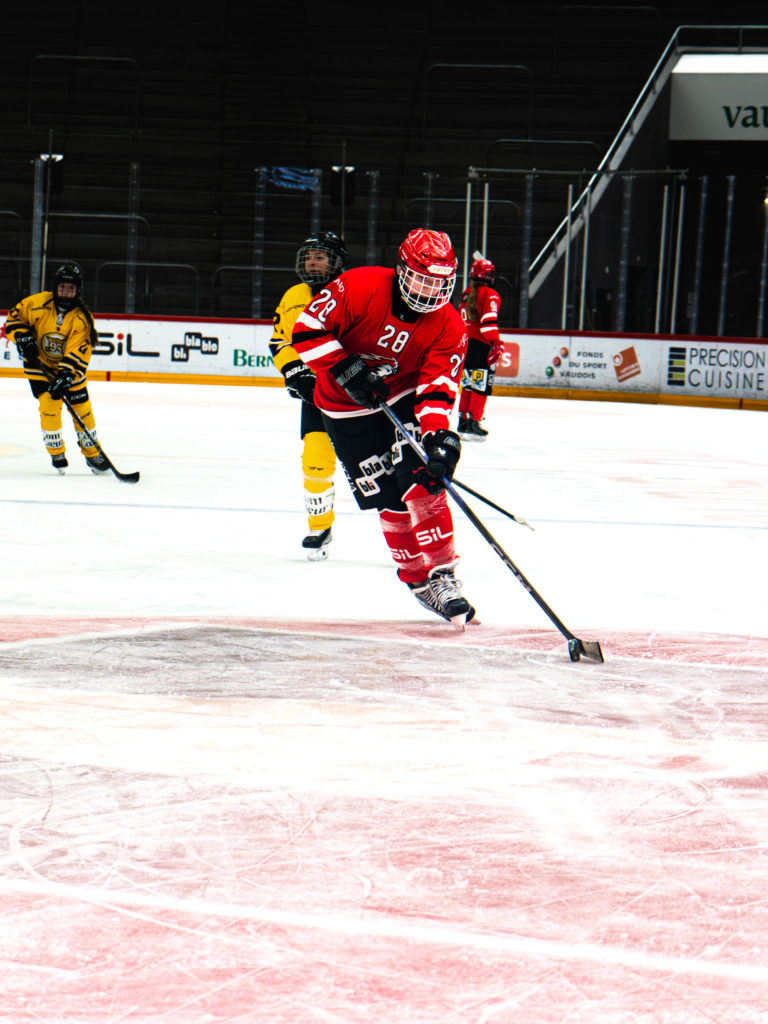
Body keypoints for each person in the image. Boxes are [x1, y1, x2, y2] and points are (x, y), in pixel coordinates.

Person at [291, 227, 476, 629]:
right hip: (343, 407)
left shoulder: (450, 325)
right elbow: (306, 330)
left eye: (438, 284)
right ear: (402, 270)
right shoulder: (360, 286)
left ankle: (444, 576)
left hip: (402, 395)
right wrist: (347, 370)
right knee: (389, 499)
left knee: (423, 478)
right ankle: (418, 581)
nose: (429, 293)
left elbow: (438, 385)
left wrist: (438, 436)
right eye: (422, 280)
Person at [269, 231, 349, 560]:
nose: (312, 262)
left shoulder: (353, 291)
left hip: (357, 393)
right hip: (317, 393)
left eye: (321, 257)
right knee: (315, 463)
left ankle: (407, 532)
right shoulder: (294, 296)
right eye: (309, 257)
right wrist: (296, 372)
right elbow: (280, 341)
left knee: (383, 468)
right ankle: (320, 528)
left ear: (337, 263)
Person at [5, 263, 109, 475]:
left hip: (69, 372)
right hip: (39, 367)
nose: (66, 292)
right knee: (49, 406)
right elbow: (14, 319)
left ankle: (93, 453)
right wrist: (23, 337)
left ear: (78, 290)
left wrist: (66, 375)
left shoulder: (83, 318)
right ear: (55, 287)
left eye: (70, 288)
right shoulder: (36, 303)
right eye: (62, 287)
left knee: (83, 411)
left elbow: (79, 350)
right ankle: (56, 451)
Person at [457, 256, 503, 440]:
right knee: (481, 385)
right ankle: (475, 421)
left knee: (468, 384)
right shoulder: (490, 294)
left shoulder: (467, 292)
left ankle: (463, 421)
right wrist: (496, 343)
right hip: (481, 346)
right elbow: (488, 324)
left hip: (466, 346)